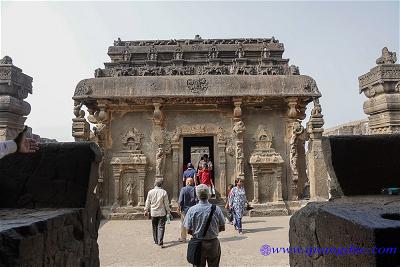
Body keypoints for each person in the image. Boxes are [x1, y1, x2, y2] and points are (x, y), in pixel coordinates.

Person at [184, 184, 225, 267]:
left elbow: (188, 230)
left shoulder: (192, 210)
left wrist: (198, 233)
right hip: (213, 243)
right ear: (208, 194)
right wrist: (213, 231)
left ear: (197, 195)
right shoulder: (216, 209)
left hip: (198, 244)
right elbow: (222, 227)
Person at [144, 178, 171, 248]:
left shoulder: (150, 192)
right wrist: (168, 211)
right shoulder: (164, 192)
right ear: (161, 184)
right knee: (161, 227)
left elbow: (148, 202)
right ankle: (160, 242)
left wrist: (146, 210)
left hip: (153, 212)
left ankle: (156, 240)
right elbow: (166, 203)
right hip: (162, 212)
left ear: (155, 184)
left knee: (154, 226)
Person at [178, 177, 197, 242]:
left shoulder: (183, 189)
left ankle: (183, 238)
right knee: (194, 223)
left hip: (185, 210)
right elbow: (196, 199)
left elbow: (180, 200)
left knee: (183, 224)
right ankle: (194, 237)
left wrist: (179, 207)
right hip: (193, 209)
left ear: (187, 182)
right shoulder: (195, 189)